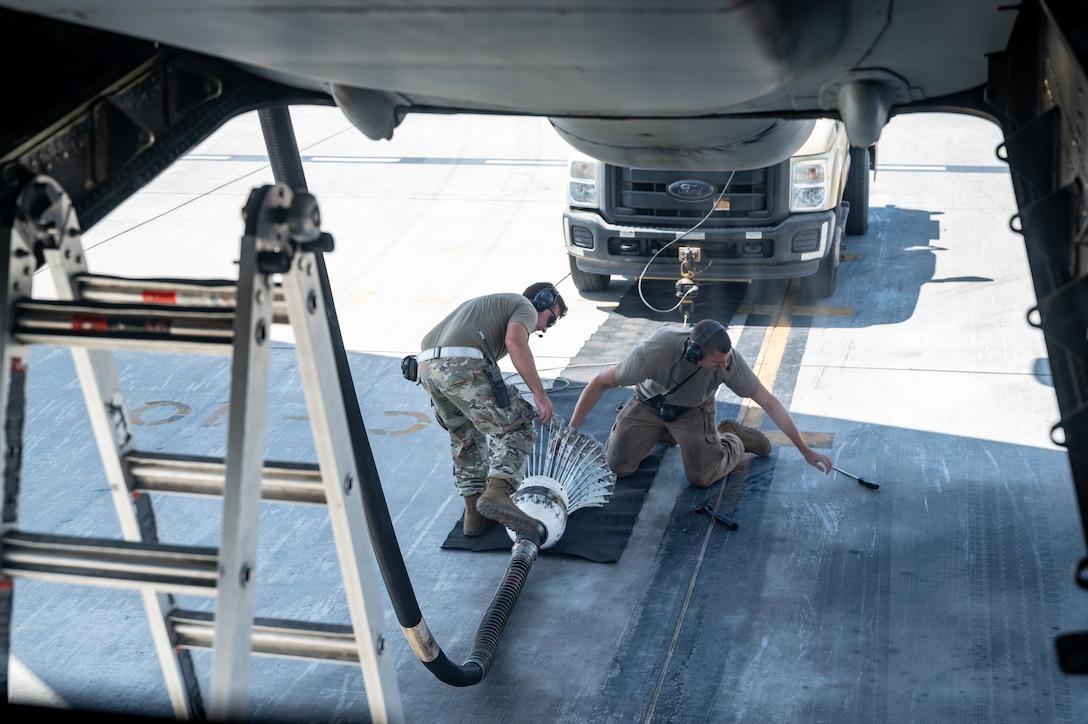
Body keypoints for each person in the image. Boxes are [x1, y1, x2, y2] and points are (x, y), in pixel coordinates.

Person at [568, 319, 832, 487]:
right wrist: (570, 430)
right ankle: (666, 434)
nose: (724, 365)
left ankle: (733, 439)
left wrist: (805, 450)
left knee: (702, 477)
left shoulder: (729, 362)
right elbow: (600, 382)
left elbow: (769, 401)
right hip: (649, 403)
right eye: (717, 361)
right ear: (694, 353)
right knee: (617, 468)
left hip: (693, 409)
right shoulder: (654, 352)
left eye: (726, 359)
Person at [417, 282, 567, 537]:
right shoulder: (525, 307)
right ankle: (498, 493)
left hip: (427, 370)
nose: (543, 328)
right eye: (550, 320)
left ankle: (474, 517)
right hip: (462, 365)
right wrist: (540, 396)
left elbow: (426, 342)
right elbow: (515, 342)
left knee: (465, 438)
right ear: (541, 301)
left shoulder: (484, 307)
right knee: (518, 424)